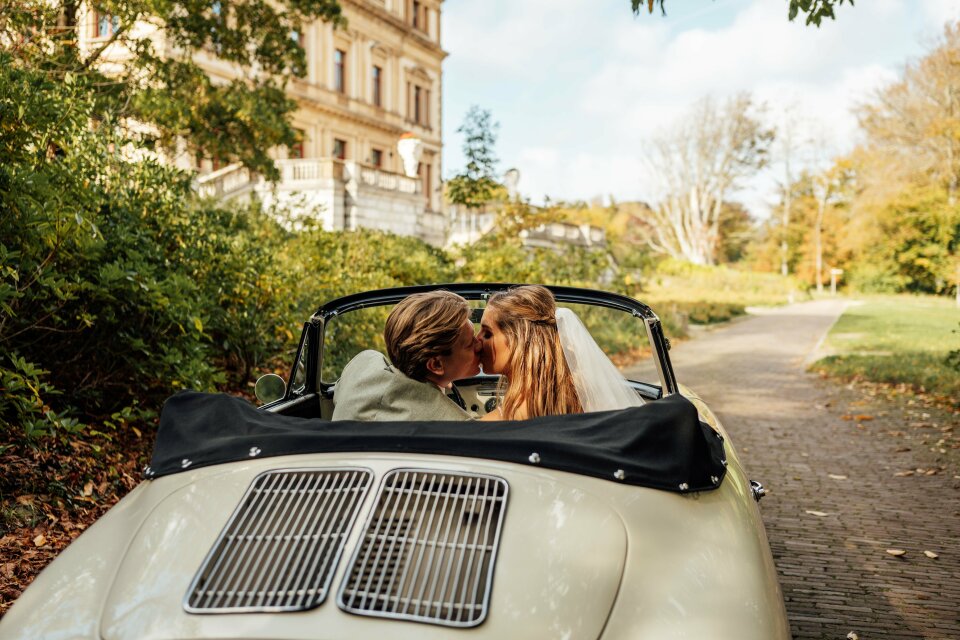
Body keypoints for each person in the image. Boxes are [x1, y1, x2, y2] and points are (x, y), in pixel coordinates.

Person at [479, 285, 644, 421]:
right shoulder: (587, 397)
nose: (477, 340)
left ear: (519, 341)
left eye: (487, 333)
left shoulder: (491, 425)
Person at [332, 290, 481, 421]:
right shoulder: (452, 424)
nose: (479, 344)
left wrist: (443, 380)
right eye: (469, 344)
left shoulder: (362, 365)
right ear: (436, 365)